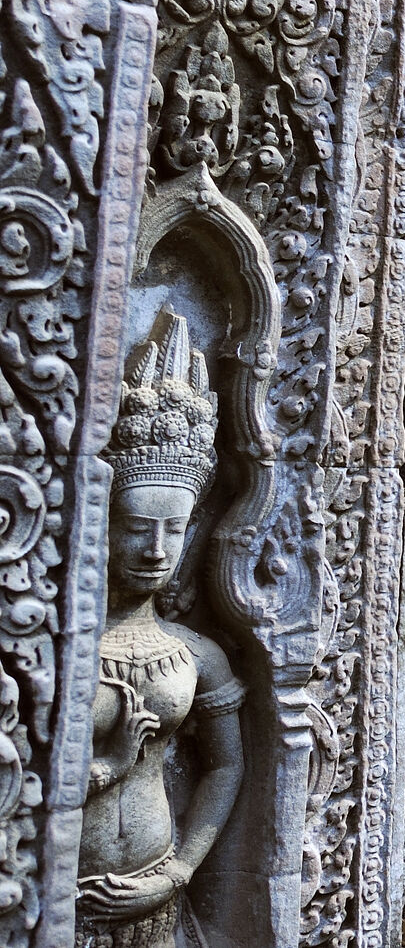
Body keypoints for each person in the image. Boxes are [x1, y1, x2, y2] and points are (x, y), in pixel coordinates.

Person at [78, 313, 244, 948]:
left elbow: (226, 766)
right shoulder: (57, 654)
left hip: (156, 890)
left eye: (174, 530)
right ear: (103, 522)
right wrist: (116, 758)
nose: (156, 548)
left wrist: (179, 870)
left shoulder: (193, 653)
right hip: (58, 894)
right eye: (137, 526)